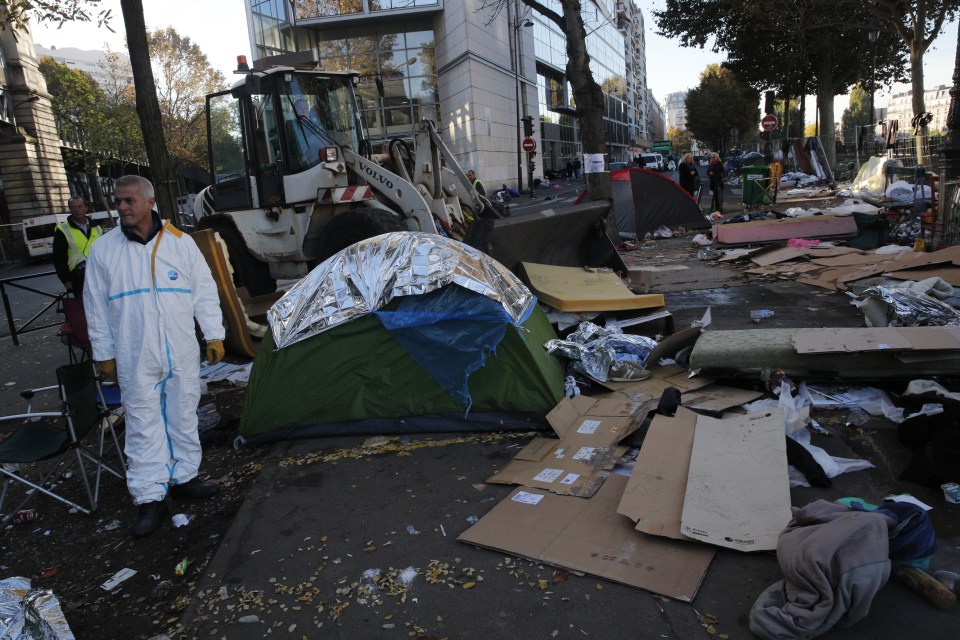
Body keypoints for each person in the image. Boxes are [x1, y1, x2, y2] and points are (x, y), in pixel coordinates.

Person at [84, 175, 225, 538]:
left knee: (182, 411)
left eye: (129, 200)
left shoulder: (180, 244)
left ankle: (184, 477)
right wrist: (104, 353)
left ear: (149, 202)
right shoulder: (103, 250)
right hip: (134, 351)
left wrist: (214, 333)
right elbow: (95, 307)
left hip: (179, 348)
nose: (122, 207)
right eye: (118, 201)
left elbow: (204, 290)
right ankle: (150, 497)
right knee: (143, 422)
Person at [53, 196, 103, 296]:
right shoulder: (62, 230)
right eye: (73, 207)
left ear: (86, 208)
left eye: (80, 207)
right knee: (84, 308)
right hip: (79, 277)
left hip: (100, 274)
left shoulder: (97, 227)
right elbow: (58, 258)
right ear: (70, 209)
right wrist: (66, 280)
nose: (77, 210)